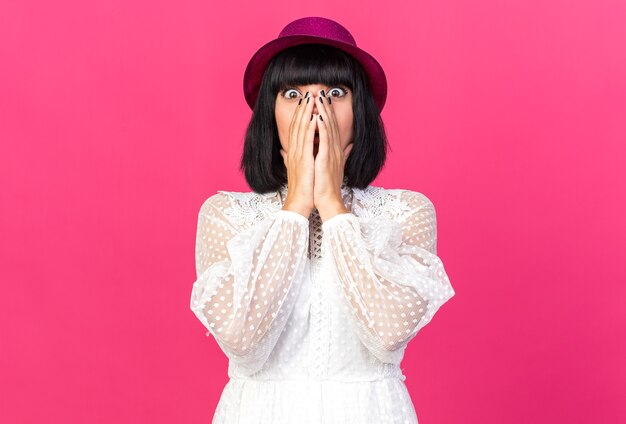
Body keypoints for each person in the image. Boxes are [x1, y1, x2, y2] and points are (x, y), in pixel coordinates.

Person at [190, 16, 455, 424]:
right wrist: (296, 204)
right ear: (269, 114)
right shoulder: (226, 216)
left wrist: (332, 203)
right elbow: (244, 345)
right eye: (294, 93)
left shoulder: (407, 213)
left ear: (360, 110)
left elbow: (386, 336)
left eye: (334, 92)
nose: (315, 112)